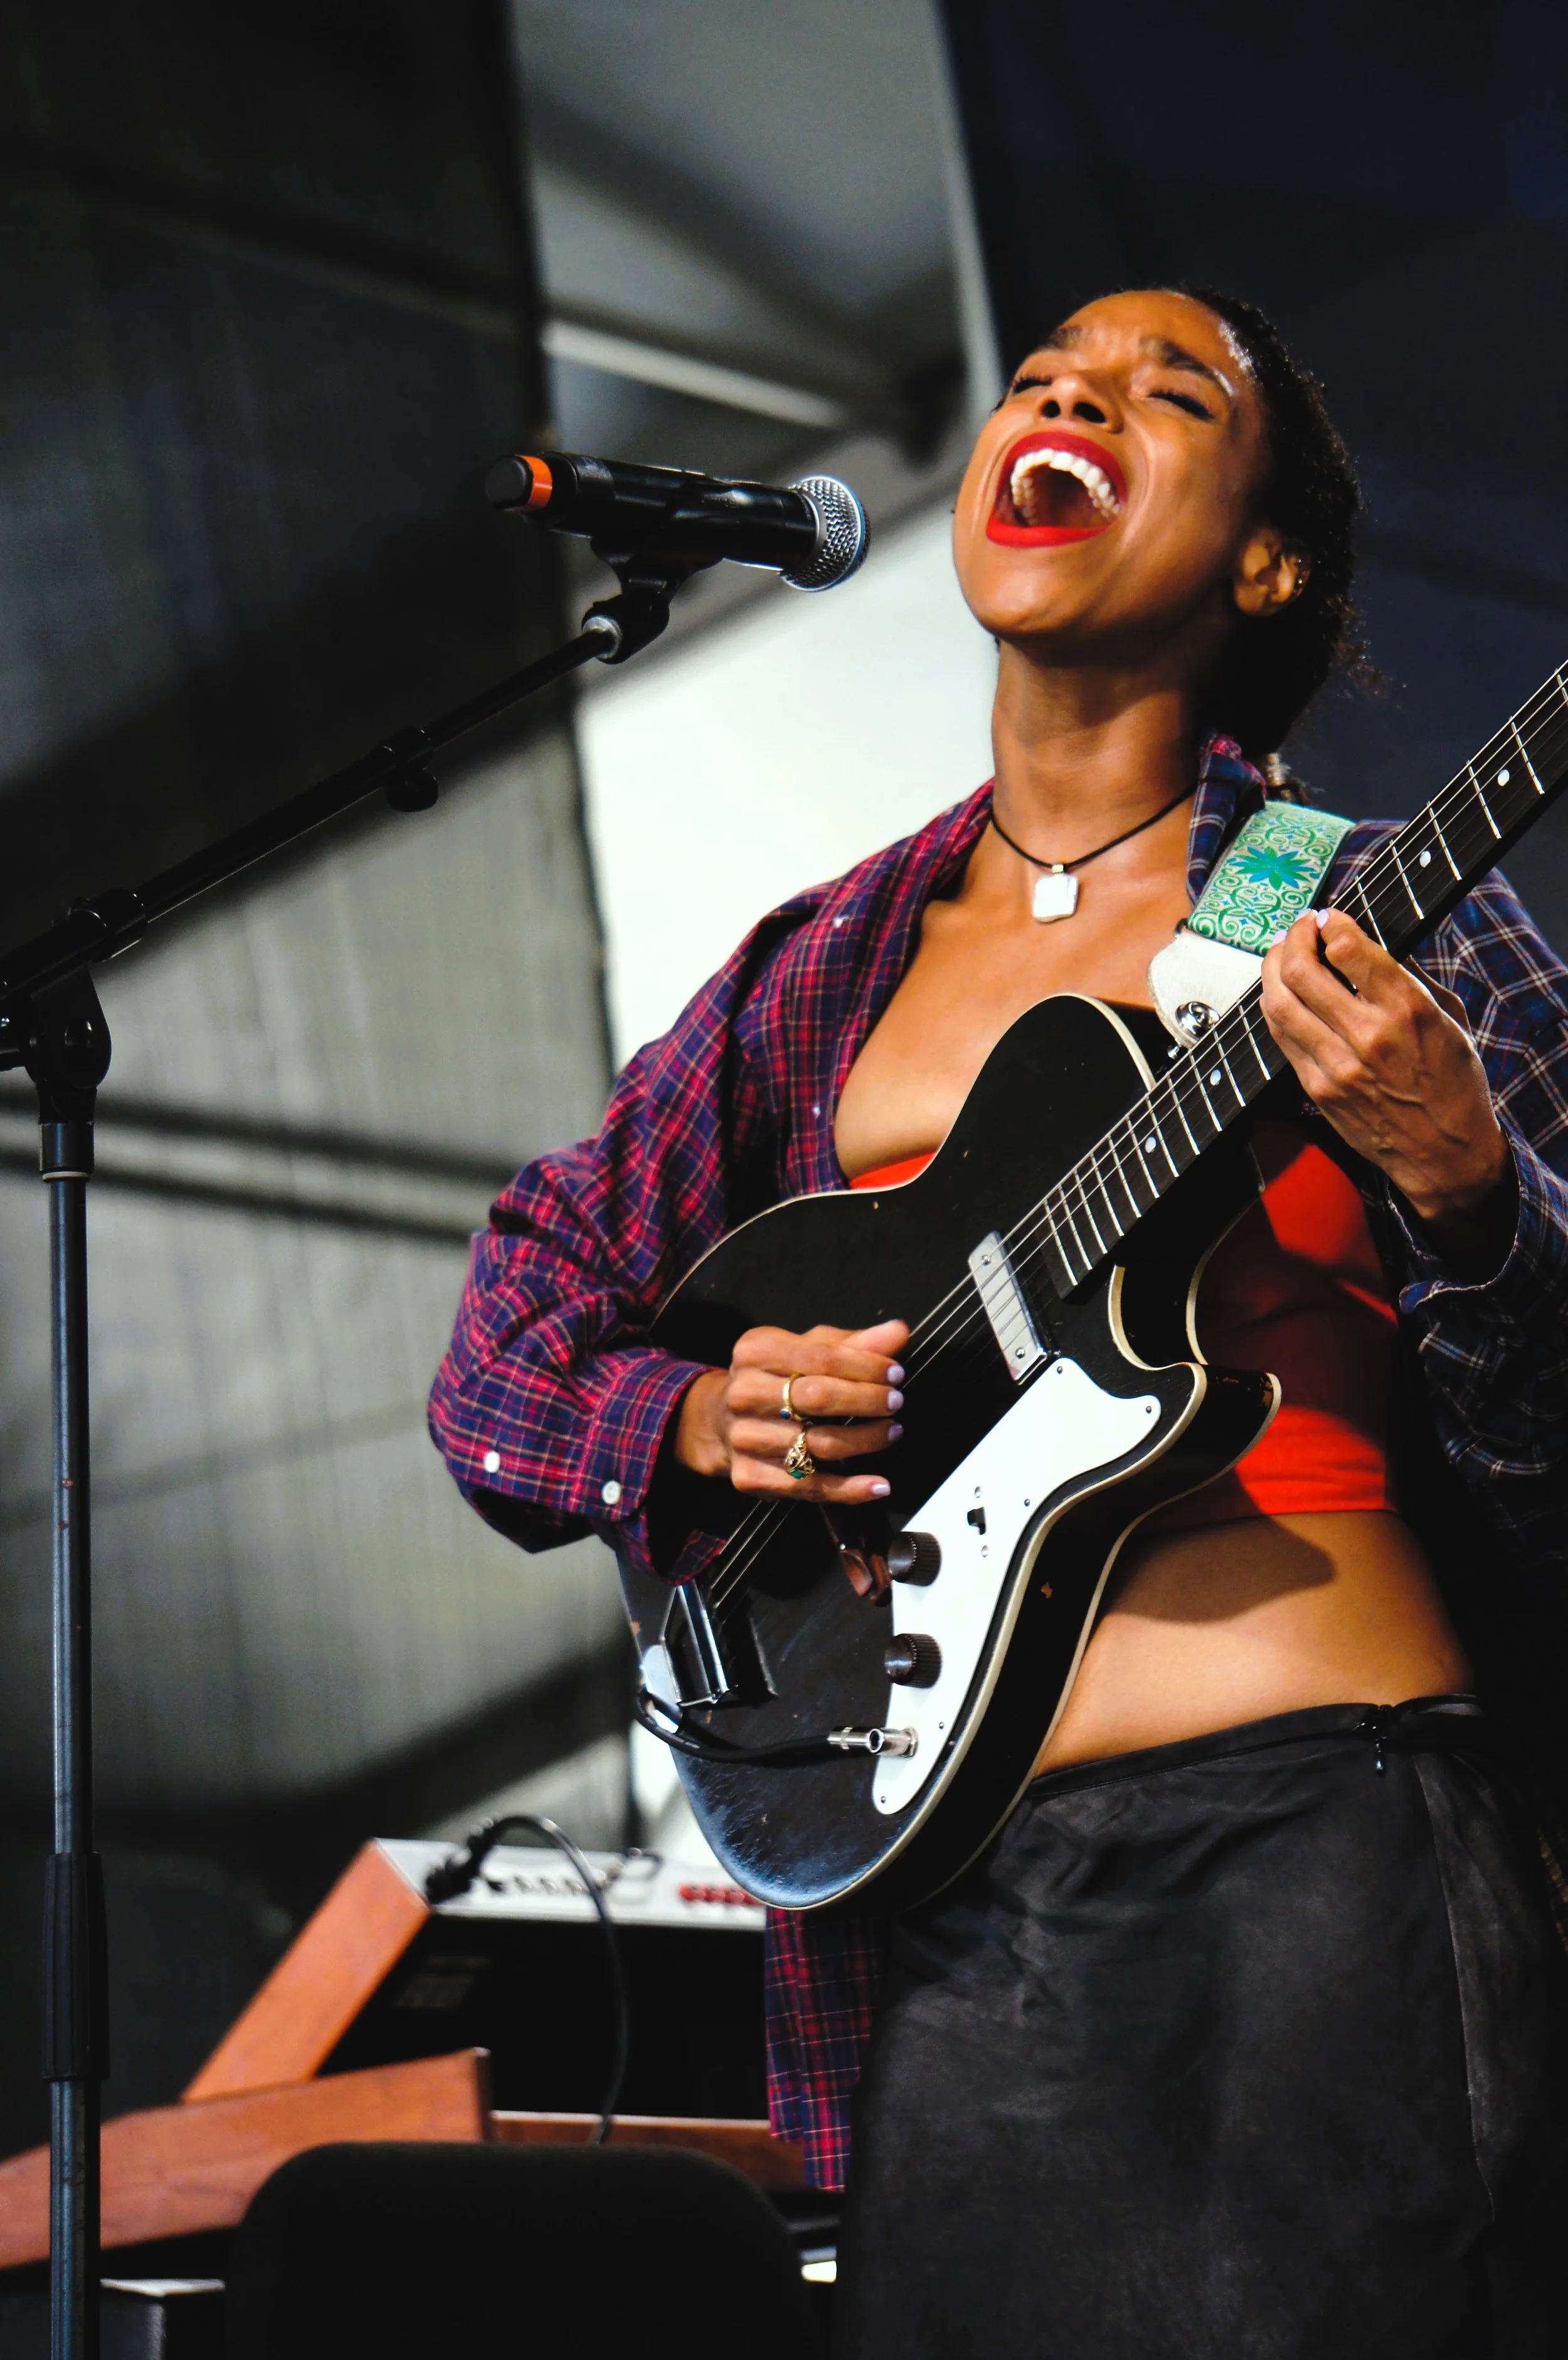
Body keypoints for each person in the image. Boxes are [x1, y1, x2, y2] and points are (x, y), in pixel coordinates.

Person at [430, 287, 1568, 2356]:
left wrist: (1468, 1193)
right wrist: (694, 1424)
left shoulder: (1352, 901)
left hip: (1326, 1843)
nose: (1068, 397)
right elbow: (508, 1340)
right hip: (952, 1926)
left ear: (1267, 557)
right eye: (1042, 376)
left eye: (1163, 393)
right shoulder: (822, 968)